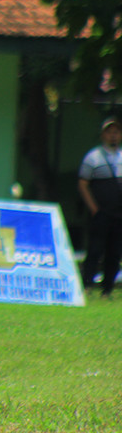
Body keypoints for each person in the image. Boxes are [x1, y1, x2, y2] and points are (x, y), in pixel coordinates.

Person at [78, 116, 122, 297]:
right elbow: (83, 183)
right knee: (95, 249)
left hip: (119, 215)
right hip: (101, 213)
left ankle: (107, 289)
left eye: (116, 132)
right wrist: (93, 208)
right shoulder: (93, 157)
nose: (113, 136)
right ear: (103, 135)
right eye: (109, 132)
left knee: (115, 252)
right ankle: (87, 284)